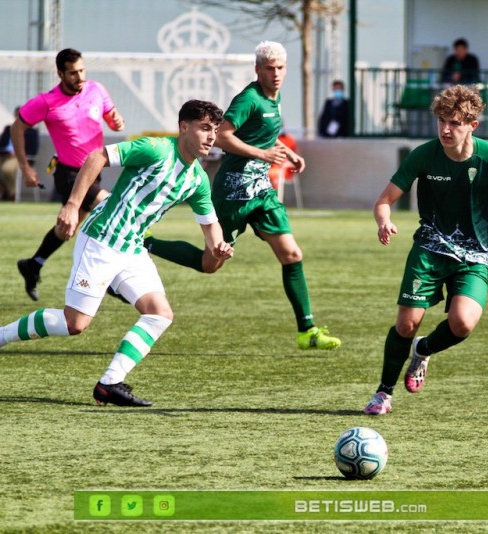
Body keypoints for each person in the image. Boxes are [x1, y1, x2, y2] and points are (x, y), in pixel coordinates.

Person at [0, 100, 233, 407]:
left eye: (215, 130)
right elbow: (96, 157)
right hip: (101, 240)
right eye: (205, 128)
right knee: (74, 324)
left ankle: (109, 384)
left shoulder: (197, 179)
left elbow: (212, 230)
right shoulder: (156, 149)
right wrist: (73, 205)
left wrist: (219, 247)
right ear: (184, 127)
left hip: (132, 248)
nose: (212, 137)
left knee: (160, 313)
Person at [145, 41, 341, 351]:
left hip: (261, 192)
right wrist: (262, 154)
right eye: (268, 68)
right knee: (210, 264)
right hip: (233, 192)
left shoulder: (273, 100)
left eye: (279, 68)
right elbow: (222, 136)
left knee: (291, 254)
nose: (275, 74)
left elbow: (262, 134)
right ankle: (148, 242)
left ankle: (307, 331)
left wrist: (287, 152)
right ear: (257, 69)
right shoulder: (249, 98)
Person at [363, 85, 488, 415]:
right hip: (429, 250)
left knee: (463, 323)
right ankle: (383, 393)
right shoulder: (424, 154)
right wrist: (384, 220)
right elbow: (384, 201)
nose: (445, 129)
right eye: (441, 121)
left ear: (473, 125)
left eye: (454, 122)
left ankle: (423, 351)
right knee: (406, 325)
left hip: (474, 256)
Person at [12, 48, 125, 301]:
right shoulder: (46, 101)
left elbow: (111, 116)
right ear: (60, 73)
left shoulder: (96, 89)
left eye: (82, 70)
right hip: (69, 175)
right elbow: (16, 127)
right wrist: (24, 167)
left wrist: (117, 121)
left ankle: (34, 264)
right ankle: (110, 280)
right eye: (73, 73)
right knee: (110, 207)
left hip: (94, 173)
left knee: (67, 230)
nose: (79, 76)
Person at [0, 107, 40, 201]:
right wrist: (5, 152)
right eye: (17, 115)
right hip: (4, 155)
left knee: (7, 169)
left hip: (19, 157)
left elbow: (32, 150)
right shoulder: (8, 129)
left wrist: (18, 153)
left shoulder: (32, 131)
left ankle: (12, 195)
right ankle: (4, 192)